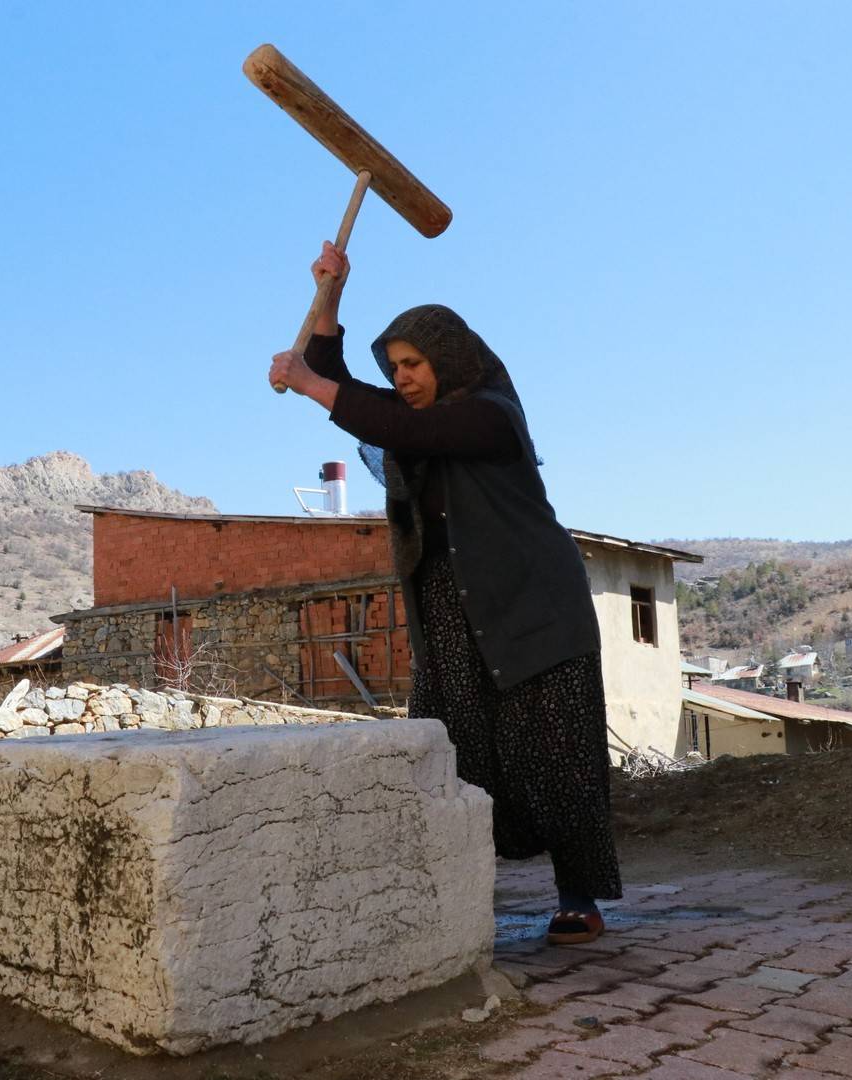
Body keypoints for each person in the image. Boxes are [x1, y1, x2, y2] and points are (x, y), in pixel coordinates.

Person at [267, 242, 622, 944]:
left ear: (449, 362)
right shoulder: (415, 423)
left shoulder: (488, 416)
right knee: (453, 748)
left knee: (557, 753)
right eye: (394, 368)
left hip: (532, 609)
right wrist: (332, 293)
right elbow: (349, 386)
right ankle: (453, 891)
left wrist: (309, 386)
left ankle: (577, 897)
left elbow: (385, 419)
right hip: (451, 610)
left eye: (413, 365)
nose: (401, 379)